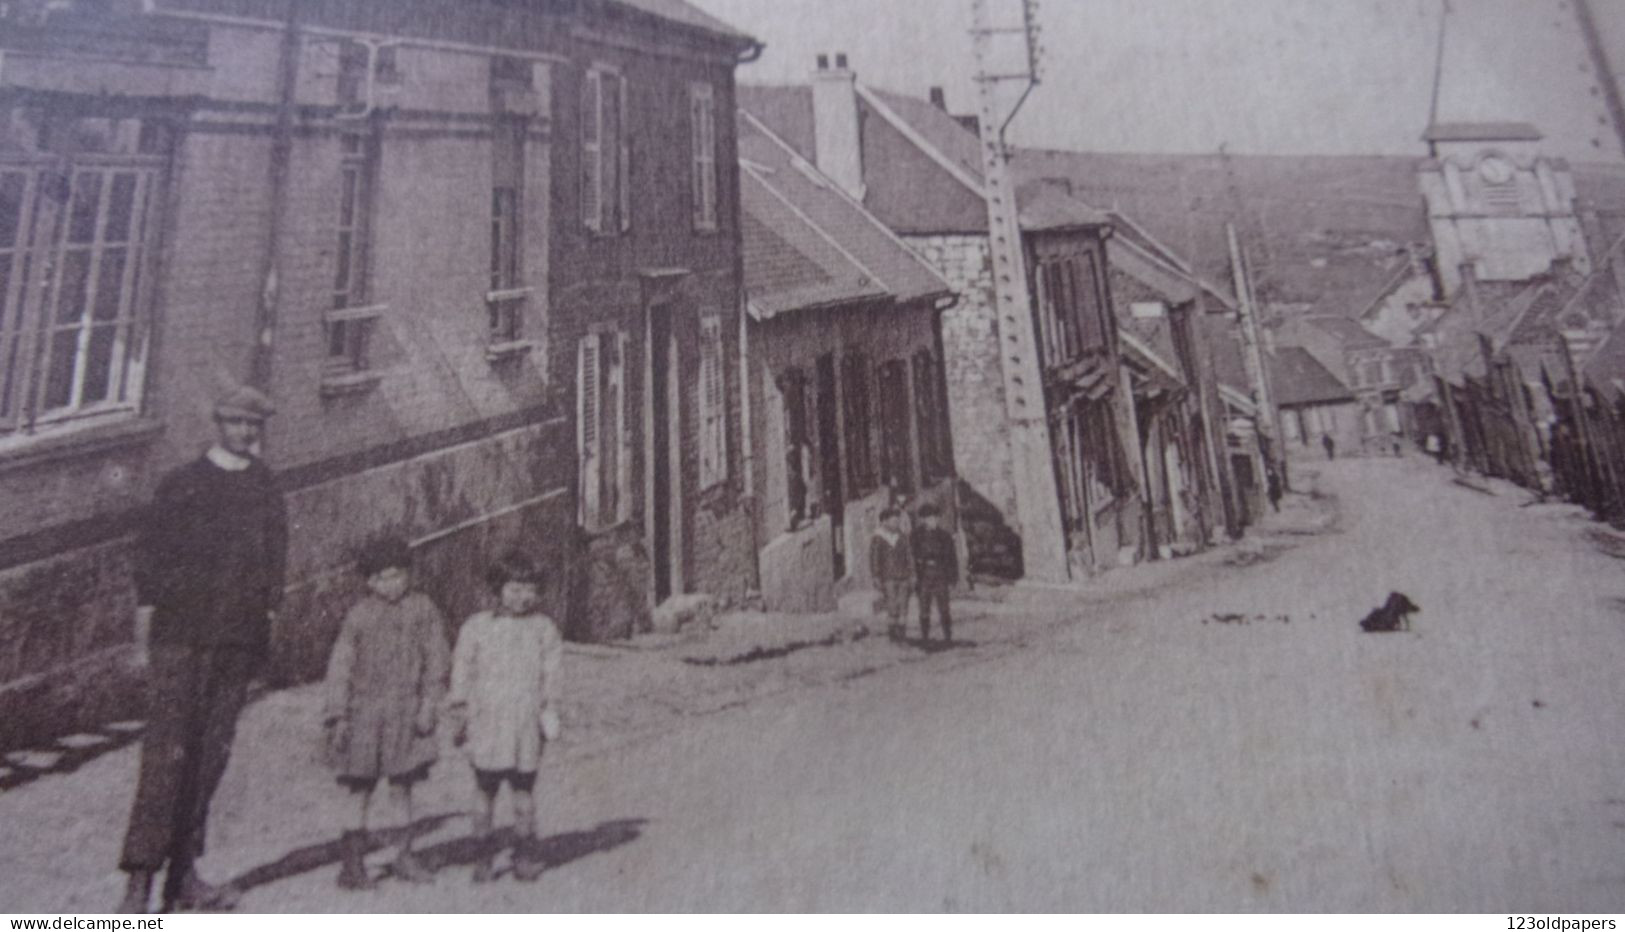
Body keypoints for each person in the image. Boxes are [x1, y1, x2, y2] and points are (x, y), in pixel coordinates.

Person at [118, 386, 287, 914]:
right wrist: (144, 643)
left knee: (209, 760)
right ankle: (138, 888)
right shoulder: (183, 485)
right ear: (219, 424)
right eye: (237, 424)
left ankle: (183, 879)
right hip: (179, 642)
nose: (246, 434)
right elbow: (150, 566)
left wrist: (264, 635)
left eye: (253, 426)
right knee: (166, 761)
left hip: (234, 644)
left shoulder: (264, 487)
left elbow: (273, 569)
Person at [323, 537, 450, 890]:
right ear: (368, 581)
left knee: (402, 787)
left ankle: (405, 855)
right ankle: (352, 864)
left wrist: (428, 704)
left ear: (408, 575)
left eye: (397, 576)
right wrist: (338, 714)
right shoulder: (359, 616)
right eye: (381, 578)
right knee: (358, 789)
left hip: (405, 713)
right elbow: (340, 667)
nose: (390, 585)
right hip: (363, 715)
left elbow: (436, 659)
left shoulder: (423, 610)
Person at [448, 550, 564, 884]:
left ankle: (524, 855)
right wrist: (460, 707)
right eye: (513, 588)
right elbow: (462, 668)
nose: (522, 597)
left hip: (525, 724)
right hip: (487, 722)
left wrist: (550, 706)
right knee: (484, 792)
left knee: (523, 794)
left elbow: (552, 673)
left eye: (529, 589)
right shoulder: (477, 627)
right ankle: (482, 856)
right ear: (498, 589)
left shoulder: (544, 629)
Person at [911, 504, 958, 643]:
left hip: (941, 573)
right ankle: (925, 636)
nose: (934, 521)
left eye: (935, 518)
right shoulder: (916, 535)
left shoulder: (944, 536)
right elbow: (911, 556)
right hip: (924, 574)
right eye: (930, 518)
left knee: (944, 607)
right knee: (924, 607)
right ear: (924, 519)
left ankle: (947, 636)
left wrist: (953, 578)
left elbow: (952, 558)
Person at [869, 508, 914, 640]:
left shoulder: (902, 537)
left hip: (903, 576)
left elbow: (909, 556)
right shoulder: (878, 538)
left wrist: (912, 574)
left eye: (897, 520)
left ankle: (902, 634)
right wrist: (876, 576)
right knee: (892, 606)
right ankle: (893, 635)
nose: (896, 523)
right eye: (893, 521)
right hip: (888, 578)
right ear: (884, 522)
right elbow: (874, 559)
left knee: (903, 606)